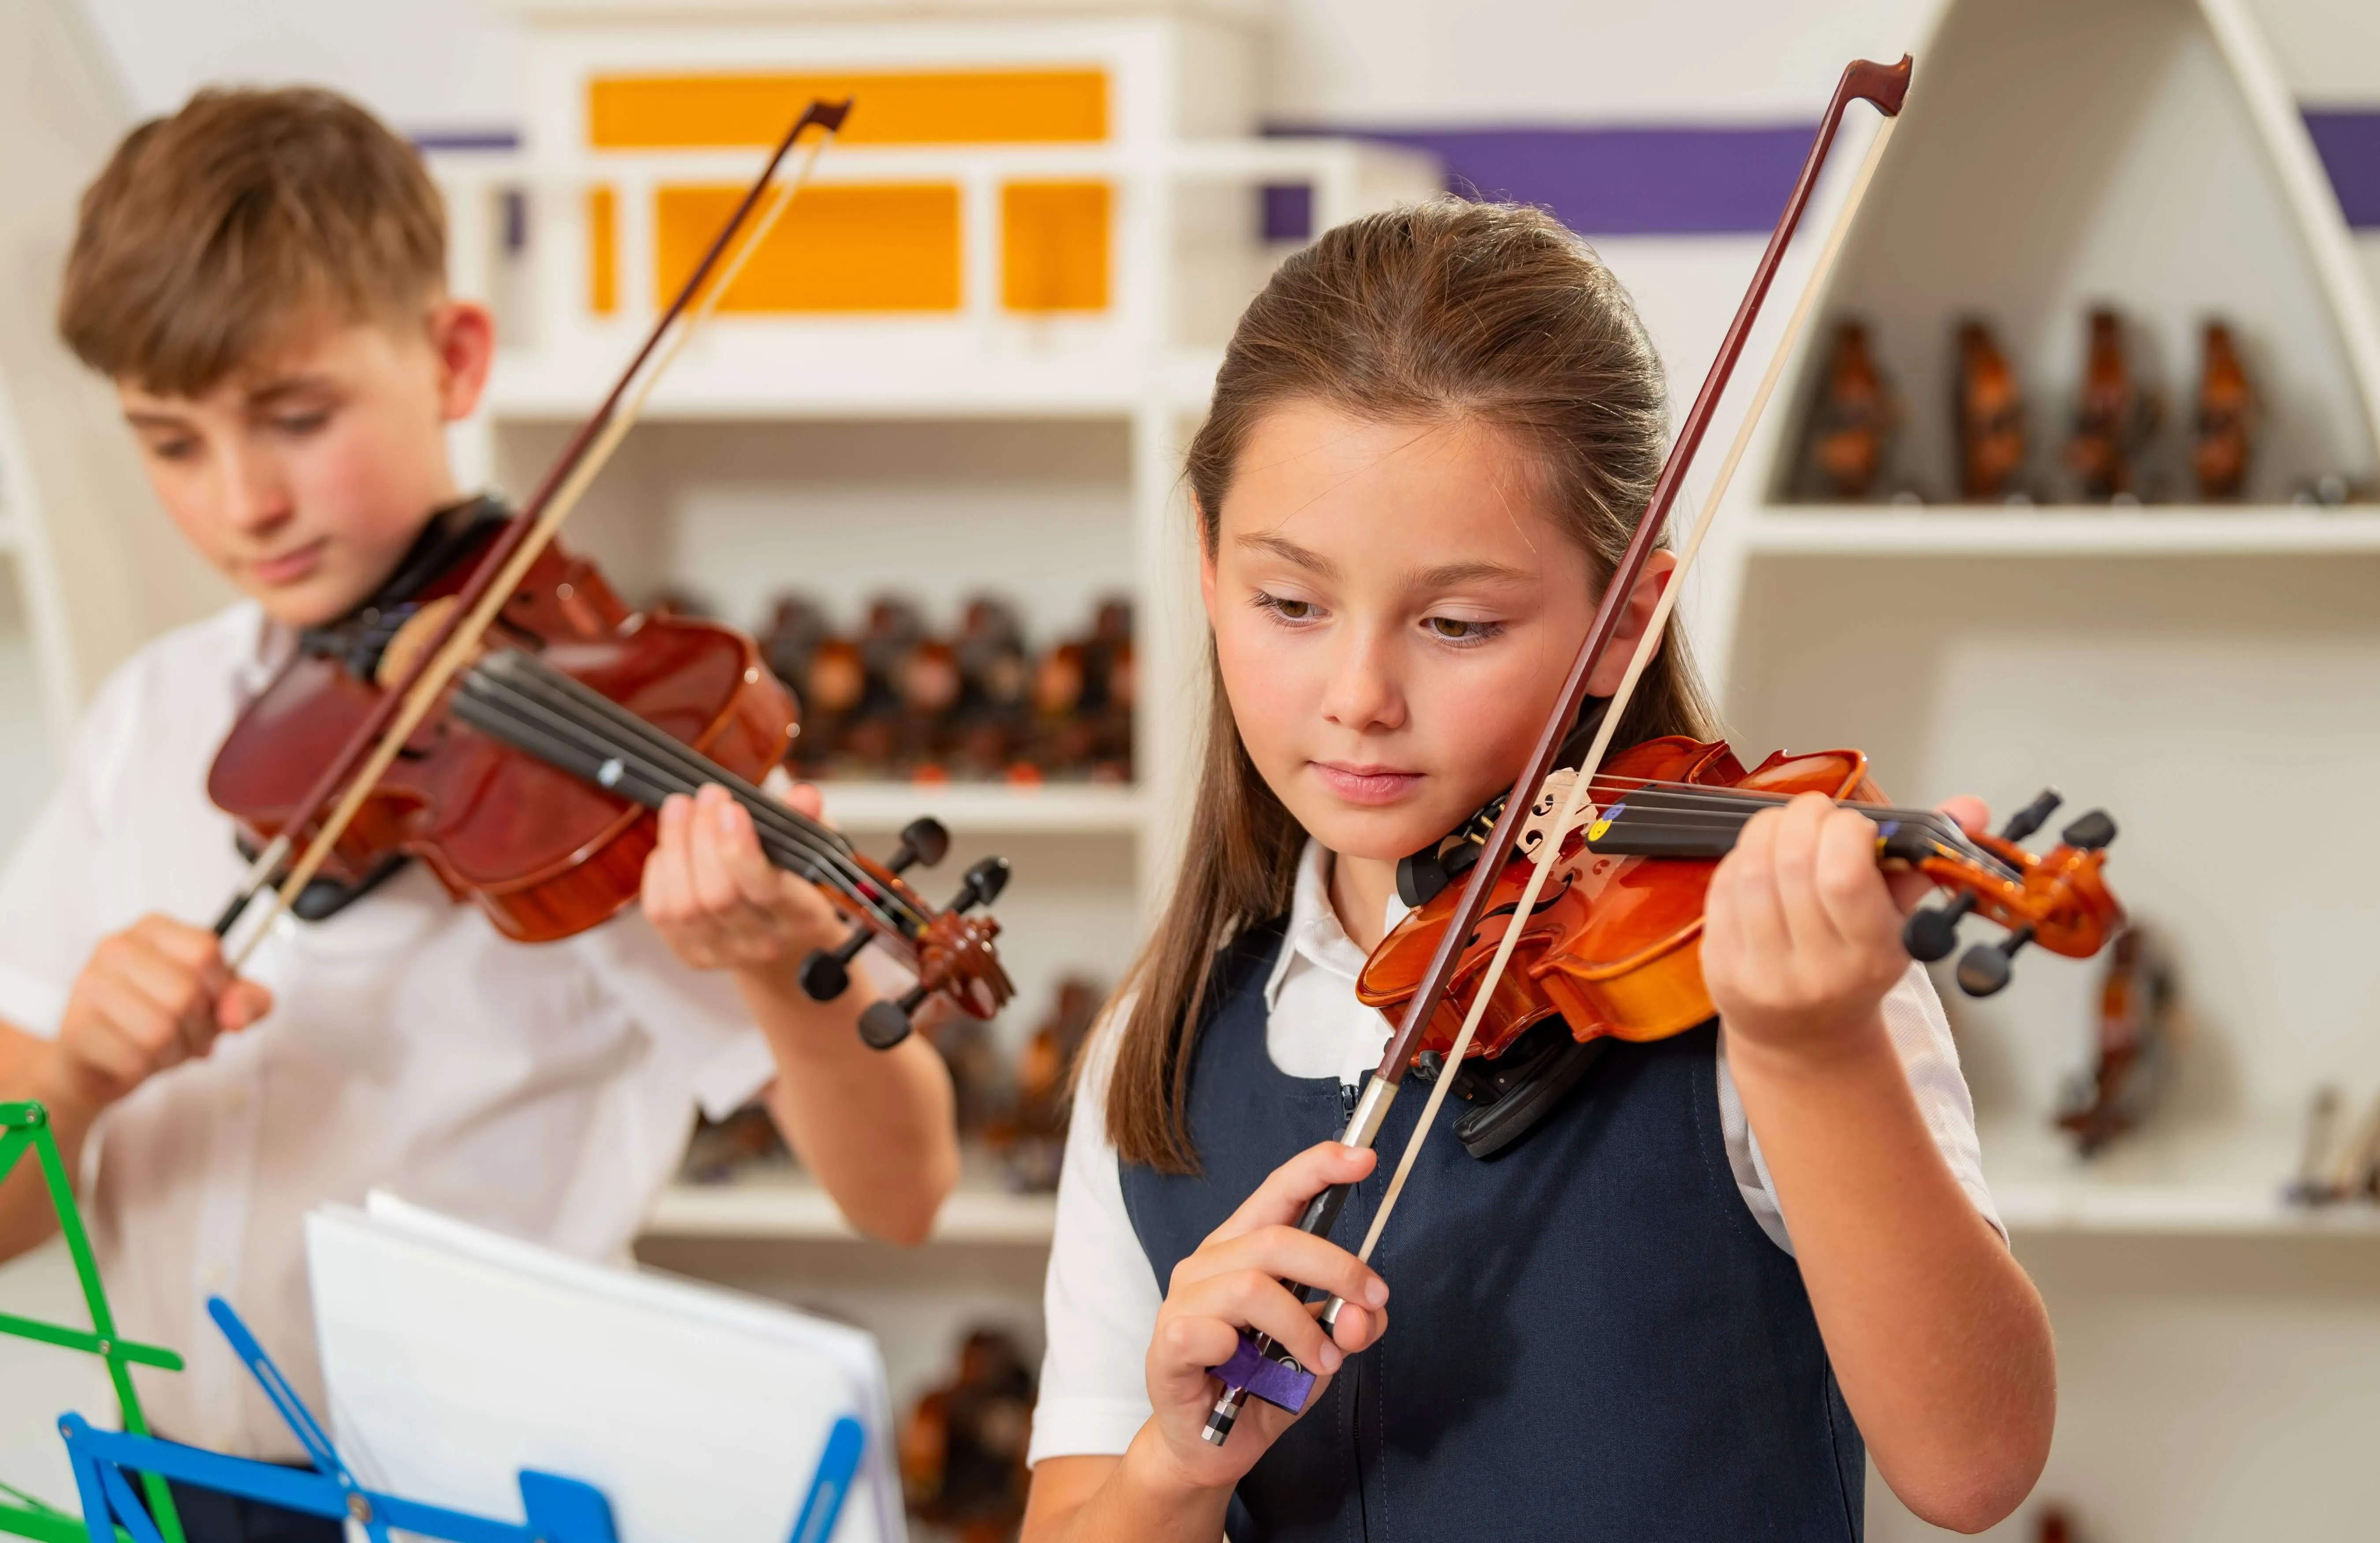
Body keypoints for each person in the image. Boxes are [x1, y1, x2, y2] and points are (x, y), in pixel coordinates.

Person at [1021, 200, 2056, 1541]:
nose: (1356, 696)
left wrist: (1814, 1051)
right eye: (1289, 604)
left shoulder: (1740, 975)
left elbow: (1975, 1465)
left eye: (1457, 623)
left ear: (1623, 622)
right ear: (1209, 571)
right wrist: (1176, 1462)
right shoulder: (1156, 1053)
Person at [0, 86, 958, 1532]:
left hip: (457, 1502)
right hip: (153, 1489)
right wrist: (73, 1078)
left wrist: (774, 954)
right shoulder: (153, 716)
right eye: (171, 441)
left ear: (452, 359)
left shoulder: (612, 758)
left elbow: (904, 1189)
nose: (242, 499)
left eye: (296, 417)